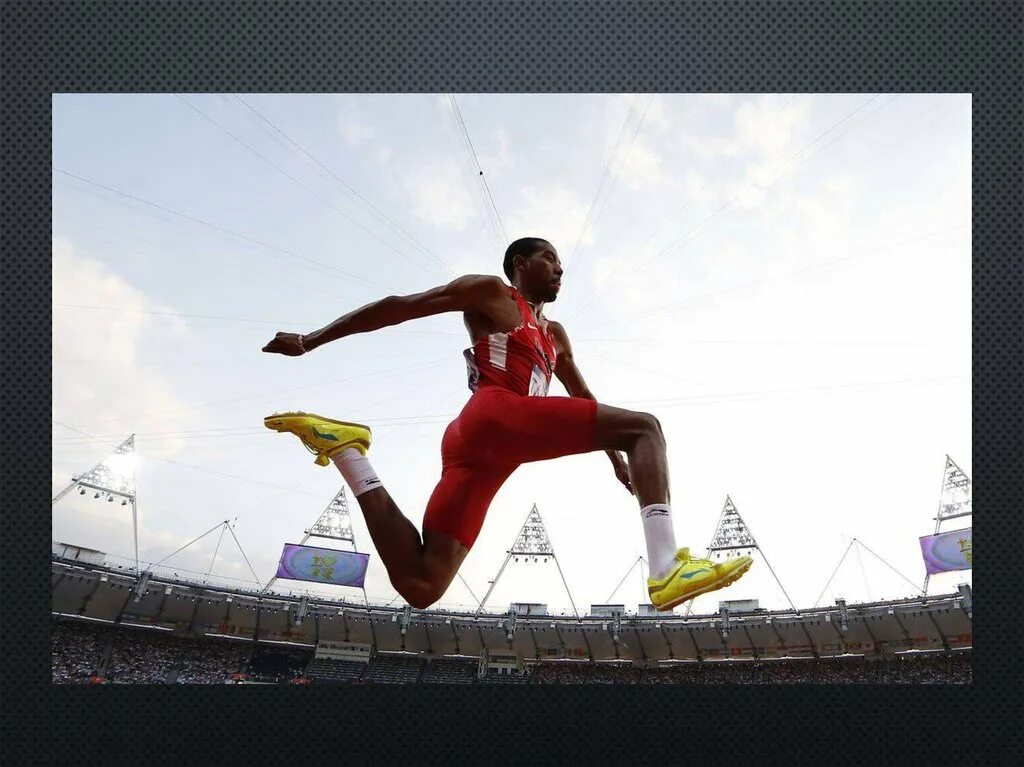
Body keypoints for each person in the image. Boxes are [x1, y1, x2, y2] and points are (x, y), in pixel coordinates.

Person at [262, 237, 752, 610]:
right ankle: (666, 567)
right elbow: (400, 307)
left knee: (421, 584)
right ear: (521, 265)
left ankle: (349, 453)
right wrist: (311, 339)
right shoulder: (492, 294)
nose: (561, 269)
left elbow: (581, 396)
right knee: (646, 427)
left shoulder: (555, 335)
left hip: (483, 451)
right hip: (494, 414)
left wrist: (615, 460)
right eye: (550, 259)